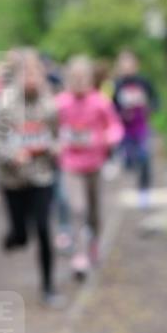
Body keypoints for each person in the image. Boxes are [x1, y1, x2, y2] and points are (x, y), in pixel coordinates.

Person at [0, 50, 64, 308]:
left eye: (37, 72)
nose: (32, 78)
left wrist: (54, 147)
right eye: (27, 73)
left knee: (43, 228)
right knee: (22, 235)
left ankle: (48, 287)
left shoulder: (50, 104)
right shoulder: (3, 104)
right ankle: (13, 237)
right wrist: (12, 154)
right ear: (18, 76)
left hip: (42, 175)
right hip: (13, 180)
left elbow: (57, 136)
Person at [56, 55, 123, 281]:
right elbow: (49, 127)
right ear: (68, 79)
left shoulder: (100, 102)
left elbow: (115, 126)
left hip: (94, 164)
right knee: (78, 208)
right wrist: (54, 142)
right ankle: (80, 255)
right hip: (70, 165)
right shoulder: (60, 103)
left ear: (90, 78)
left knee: (94, 213)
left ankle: (93, 242)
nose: (78, 81)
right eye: (74, 77)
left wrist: (110, 137)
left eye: (82, 77)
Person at [112, 50, 159, 209]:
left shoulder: (143, 82)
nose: (127, 68)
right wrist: (120, 113)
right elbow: (111, 107)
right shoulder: (116, 85)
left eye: (129, 64)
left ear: (135, 65)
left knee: (145, 160)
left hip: (142, 128)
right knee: (130, 162)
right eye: (123, 65)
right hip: (124, 131)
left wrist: (150, 108)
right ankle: (128, 175)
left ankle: (144, 193)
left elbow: (156, 99)